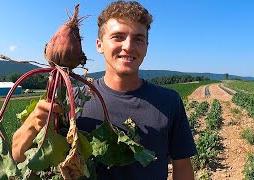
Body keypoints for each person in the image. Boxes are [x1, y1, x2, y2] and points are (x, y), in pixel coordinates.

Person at [12, 1, 197, 179]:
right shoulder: (71, 100)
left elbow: (182, 167)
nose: (128, 46)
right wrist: (32, 123)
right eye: (118, 37)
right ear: (99, 45)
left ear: (147, 46)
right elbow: (18, 155)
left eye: (138, 39)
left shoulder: (169, 101)